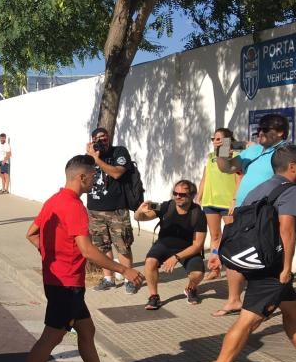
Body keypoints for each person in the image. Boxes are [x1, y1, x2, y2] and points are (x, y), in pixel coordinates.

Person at [11, 155, 144, 362]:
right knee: (51, 338)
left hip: (59, 281)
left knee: (86, 332)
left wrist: (53, 256)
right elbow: (87, 251)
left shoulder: (54, 200)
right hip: (66, 284)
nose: (96, 180)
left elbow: (31, 234)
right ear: (81, 177)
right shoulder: (73, 206)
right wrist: (123, 269)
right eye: (94, 176)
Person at [201, 144, 296, 362]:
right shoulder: (290, 192)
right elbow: (286, 231)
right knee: (249, 320)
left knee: (294, 313)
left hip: (258, 261)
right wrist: (287, 268)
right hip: (274, 269)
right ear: (293, 166)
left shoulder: (262, 187)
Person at [210, 113, 290, 316]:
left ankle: (272, 300)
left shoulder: (286, 153)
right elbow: (227, 167)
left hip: (267, 214)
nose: (260, 133)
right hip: (244, 212)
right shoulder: (254, 150)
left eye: (265, 130)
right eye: (259, 129)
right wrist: (224, 147)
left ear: (280, 132)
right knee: (234, 252)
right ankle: (235, 300)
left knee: (267, 257)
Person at [134, 180, 207, 309]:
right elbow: (139, 217)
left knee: (198, 274)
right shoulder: (165, 206)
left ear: (192, 195)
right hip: (164, 244)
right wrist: (140, 210)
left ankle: (191, 288)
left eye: (182, 194)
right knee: (150, 262)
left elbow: (198, 245)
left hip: (187, 248)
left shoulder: (198, 214)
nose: (178, 196)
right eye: (175, 193)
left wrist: (176, 257)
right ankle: (153, 297)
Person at [86, 127, 137, 293]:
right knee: (102, 246)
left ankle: (130, 279)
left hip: (117, 209)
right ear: (92, 140)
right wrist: (89, 156)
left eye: (104, 138)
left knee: (122, 244)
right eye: (98, 139)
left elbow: (117, 174)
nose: (102, 141)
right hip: (95, 209)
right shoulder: (89, 157)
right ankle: (108, 279)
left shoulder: (119, 152)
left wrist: (97, 159)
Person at [197, 128, 240, 282]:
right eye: (213, 139)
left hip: (227, 203)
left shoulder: (235, 155)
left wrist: (235, 200)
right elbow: (205, 177)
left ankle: (234, 270)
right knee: (215, 236)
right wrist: (199, 196)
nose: (215, 142)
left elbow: (239, 179)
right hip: (210, 202)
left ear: (228, 140)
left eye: (219, 139)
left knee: (231, 237)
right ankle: (215, 269)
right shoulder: (210, 157)